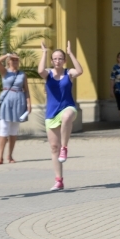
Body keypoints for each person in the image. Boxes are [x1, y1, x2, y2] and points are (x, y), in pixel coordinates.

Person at [38, 40, 83, 191]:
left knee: (67, 117)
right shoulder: (48, 74)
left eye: (60, 58)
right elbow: (39, 70)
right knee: (53, 148)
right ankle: (59, 180)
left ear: (64, 61)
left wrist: (71, 53)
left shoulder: (68, 73)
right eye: (55, 58)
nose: (58, 61)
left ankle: (65, 147)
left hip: (67, 107)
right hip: (51, 113)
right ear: (52, 61)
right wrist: (44, 52)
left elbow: (80, 71)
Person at [0, 53, 31, 164]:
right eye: (13, 60)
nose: (15, 61)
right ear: (9, 61)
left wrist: (29, 103)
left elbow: (26, 90)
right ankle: (0, 157)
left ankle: (9, 156)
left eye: (16, 60)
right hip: (7, 100)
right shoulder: (5, 72)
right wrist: (7, 55)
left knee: (14, 130)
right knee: (4, 128)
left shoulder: (22, 74)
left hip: (19, 101)